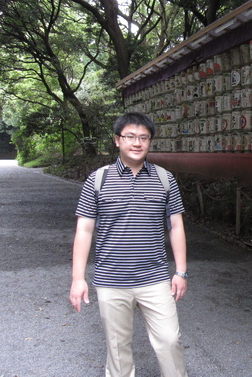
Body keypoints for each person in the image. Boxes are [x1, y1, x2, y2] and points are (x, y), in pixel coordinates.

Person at [69, 111, 188, 377]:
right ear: (117, 140)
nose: (137, 143)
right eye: (130, 137)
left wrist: (180, 271)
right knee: (118, 349)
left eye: (143, 138)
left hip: (155, 278)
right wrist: (78, 278)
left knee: (170, 341)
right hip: (111, 280)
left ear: (150, 142)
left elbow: (176, 225)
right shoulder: (97, 180)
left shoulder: (165, 179)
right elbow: (84, 230)